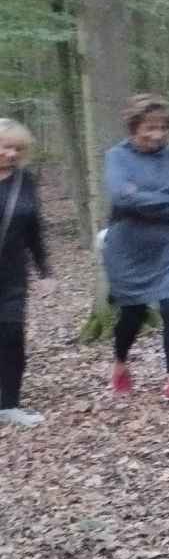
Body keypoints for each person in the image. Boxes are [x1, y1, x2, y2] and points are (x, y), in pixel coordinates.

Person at [102, 94, 169, 403]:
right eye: (149, 127)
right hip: (128, 251)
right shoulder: (117, 157)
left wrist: (142, 199)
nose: (157, 134)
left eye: (162, 127)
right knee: (132, 313)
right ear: (134, 127)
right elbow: (121, 197)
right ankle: (120, 363)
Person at [0, 119, 54, 427]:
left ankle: (9, 404)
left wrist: (44, 269)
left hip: (13, 274)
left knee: (11, 335)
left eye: (17, 149)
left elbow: (34, 228)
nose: (12, 154)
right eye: (6, 147)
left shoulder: (25, 181)